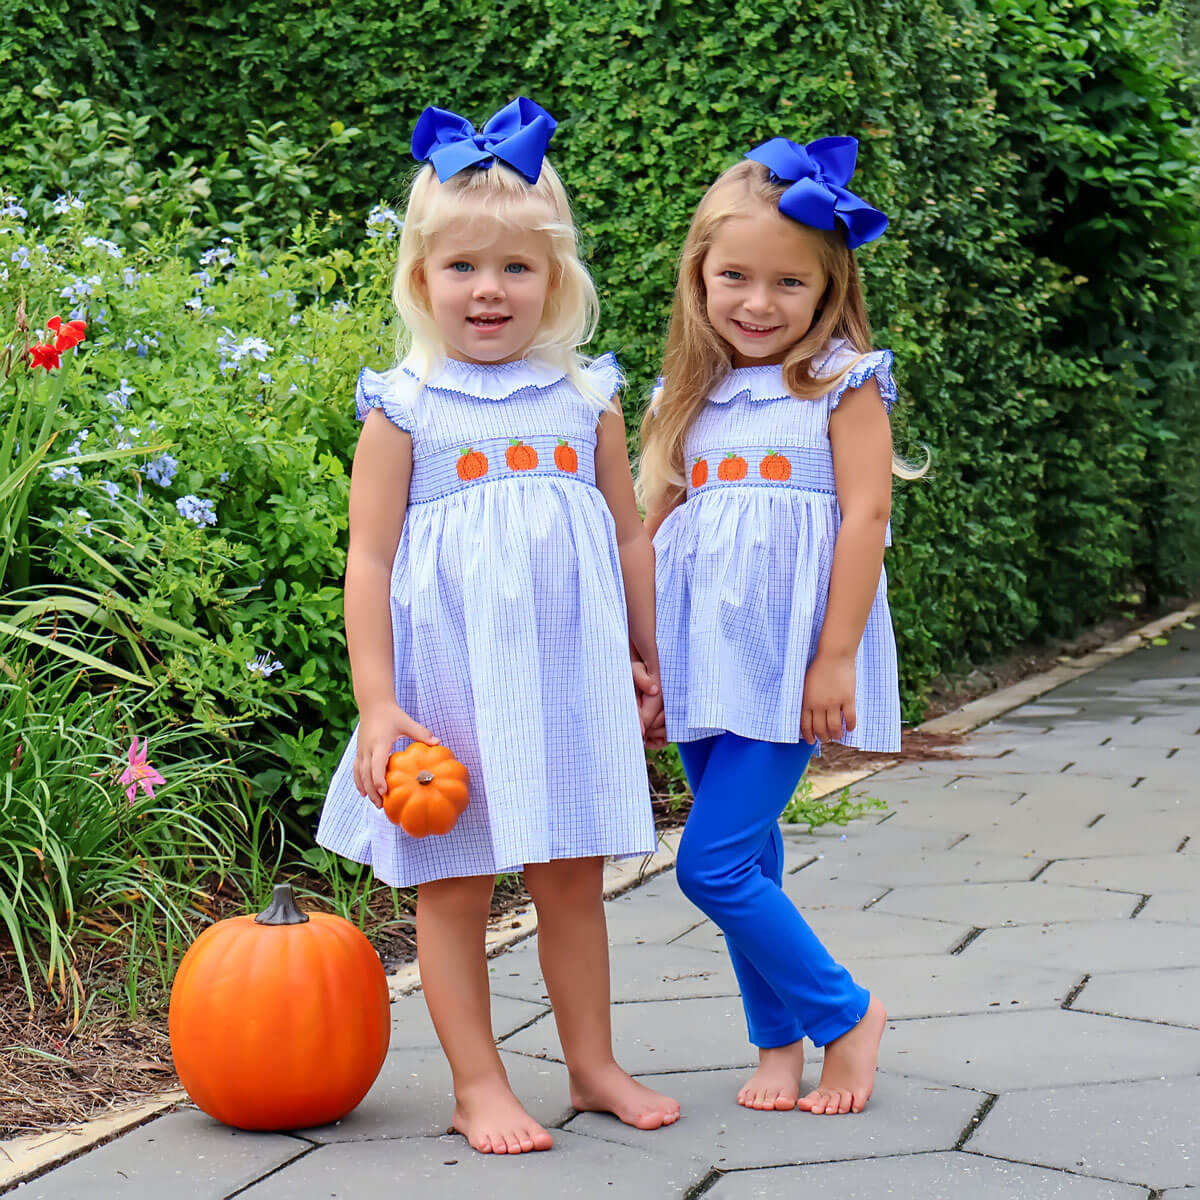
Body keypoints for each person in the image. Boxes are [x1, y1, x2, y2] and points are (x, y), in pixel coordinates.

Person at [317, 97, 679, 1154]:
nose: (489, 289)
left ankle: (593, 1065)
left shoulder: (585, 398)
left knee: (573, 877)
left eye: (517, 269)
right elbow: (370, 562)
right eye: (462, 267)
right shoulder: (405, 408)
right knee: (455, 884)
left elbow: (628, 537)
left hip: (563, 684)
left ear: (557, 280)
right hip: (450, 691)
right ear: (422, 279)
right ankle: (478, 1083)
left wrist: (647, 655)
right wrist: (378, 705)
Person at [641, 135, 920, 1116]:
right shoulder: (692, 394)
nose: (758, 303)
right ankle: (777, 1044)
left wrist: (834, 654)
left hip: (784, 665)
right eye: (734, 278)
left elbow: (866, 519)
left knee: (709, 865)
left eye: (788, 284)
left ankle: (845, 1014)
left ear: (830, 287)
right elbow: (656, 527)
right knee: (749, 859)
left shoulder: (843, 383)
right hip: (701, 662)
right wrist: (644, 658)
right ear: (699, 277)